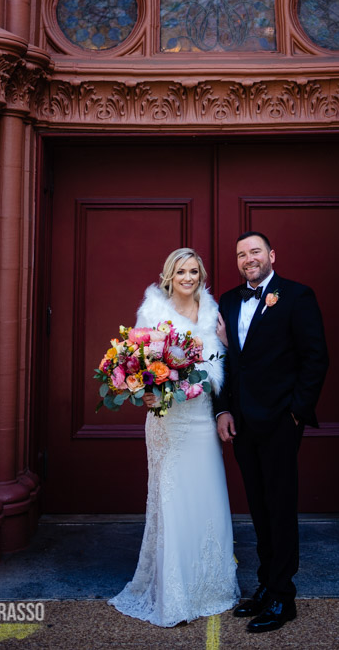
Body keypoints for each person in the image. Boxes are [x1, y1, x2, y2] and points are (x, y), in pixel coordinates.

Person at [109, 248, 239, 627]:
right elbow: (139, 364)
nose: (188, 277)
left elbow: (223, 365)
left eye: (194, 271)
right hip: (168, 419)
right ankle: (174, 592)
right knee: (173, 501)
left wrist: (226, 347)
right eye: (181, 271)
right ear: (169, 275)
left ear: (201, 276)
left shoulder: (215, 313)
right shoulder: (153, 312)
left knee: (207, 495)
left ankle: (211, 586)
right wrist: (145, 391)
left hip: (201, 417)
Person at [214, 231, 329, 634]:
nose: (249, 259)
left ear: (271, 255)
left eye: (255, 251)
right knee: (259, 507)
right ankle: (266, 584)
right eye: (242, 254)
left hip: (281, 420)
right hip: (242, 421)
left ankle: (284, 595)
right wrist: (224, 409)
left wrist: (296, 413)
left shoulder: (297, 296)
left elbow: (315, 358)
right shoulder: (228, 301)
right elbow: (224, 362)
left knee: (280, 506)